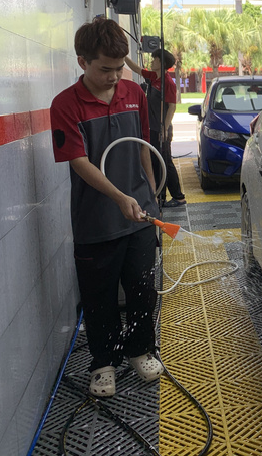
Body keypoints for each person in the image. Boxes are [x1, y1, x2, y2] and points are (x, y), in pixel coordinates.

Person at [50, 17, 163, 397]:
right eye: (105, 69)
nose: (115, 76)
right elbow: (79, 162)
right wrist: (120, 197)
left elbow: (144, 145)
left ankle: (139, 350)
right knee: (99, 297)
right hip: (96, 222)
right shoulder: (65, 104)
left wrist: (152, 192)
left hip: (140, 214)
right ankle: (103, 363)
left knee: (143, 289)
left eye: (119, 68)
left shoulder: (135, 93)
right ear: (83, 62)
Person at [125, 49, 186, 207]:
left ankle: (179, 197)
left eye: (155, 59)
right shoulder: (153, 77)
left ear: (162, 63)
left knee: (165, 162)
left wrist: (164, 129)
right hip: (151, 128)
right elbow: (137, 69)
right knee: (155, 161)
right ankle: (160, 196)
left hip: (162, 129)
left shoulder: (168, 83)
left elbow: (172, 107)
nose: (152, 61)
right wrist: (123, 55)